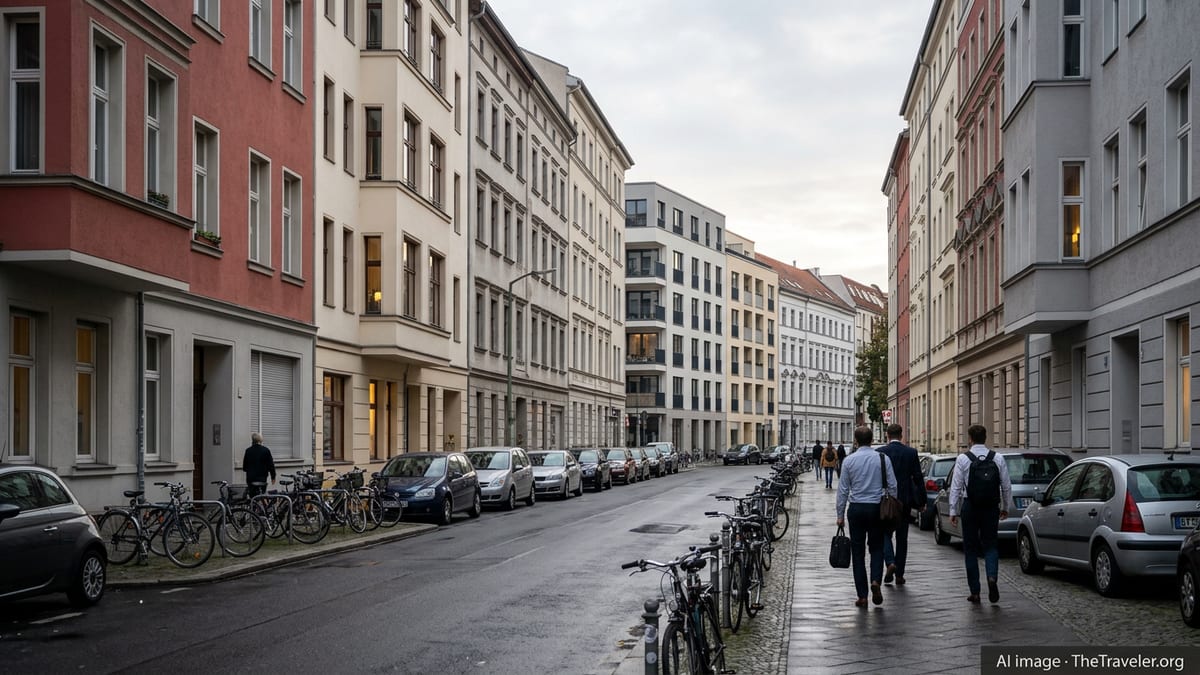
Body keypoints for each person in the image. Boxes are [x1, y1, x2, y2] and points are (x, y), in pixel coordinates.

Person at [948, 424, 1013, 604]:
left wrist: (953, 510)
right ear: (986, 438)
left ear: (970, 439)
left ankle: (975, 591)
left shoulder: (963, 458)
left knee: (970, 549)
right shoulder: (997, 458)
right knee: (991, 545)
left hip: (970, 506)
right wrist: (1005, 507)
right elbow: (1006, 486)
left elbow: (956, 486)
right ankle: (992, 577)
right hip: (991, 507)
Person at [836, 426, 897, 608]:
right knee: (877, 547)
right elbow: (893, 486)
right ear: (871, 440)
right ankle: (876, 581)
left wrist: (840, 514)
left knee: (858, 552)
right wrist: (892, 507)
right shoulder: (882, 458)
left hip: (856, 509)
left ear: (855, 440)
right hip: (876, 508)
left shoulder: (849, 461)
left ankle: (862, 596)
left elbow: (843, 490)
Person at [879, 424, 925, 585]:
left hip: (886, 501)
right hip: (904, 501)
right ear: (902, 435)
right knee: (902, 538)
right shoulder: (911, 452)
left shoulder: (880, 453)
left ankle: (890, 561)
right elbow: (918, 478)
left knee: (884, 534)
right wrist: (922, 501)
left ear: (887, 435)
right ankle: (899, 574)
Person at [242, 432, 277, 497]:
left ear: (252, 440)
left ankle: (253, 506)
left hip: (251, 478)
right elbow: (271, 465)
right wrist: (273, 476)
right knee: (261, 496)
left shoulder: (248, 451)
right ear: (260, 440)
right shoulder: (266, 450)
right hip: (262, 478)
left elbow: (244, 467)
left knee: (252, 497)